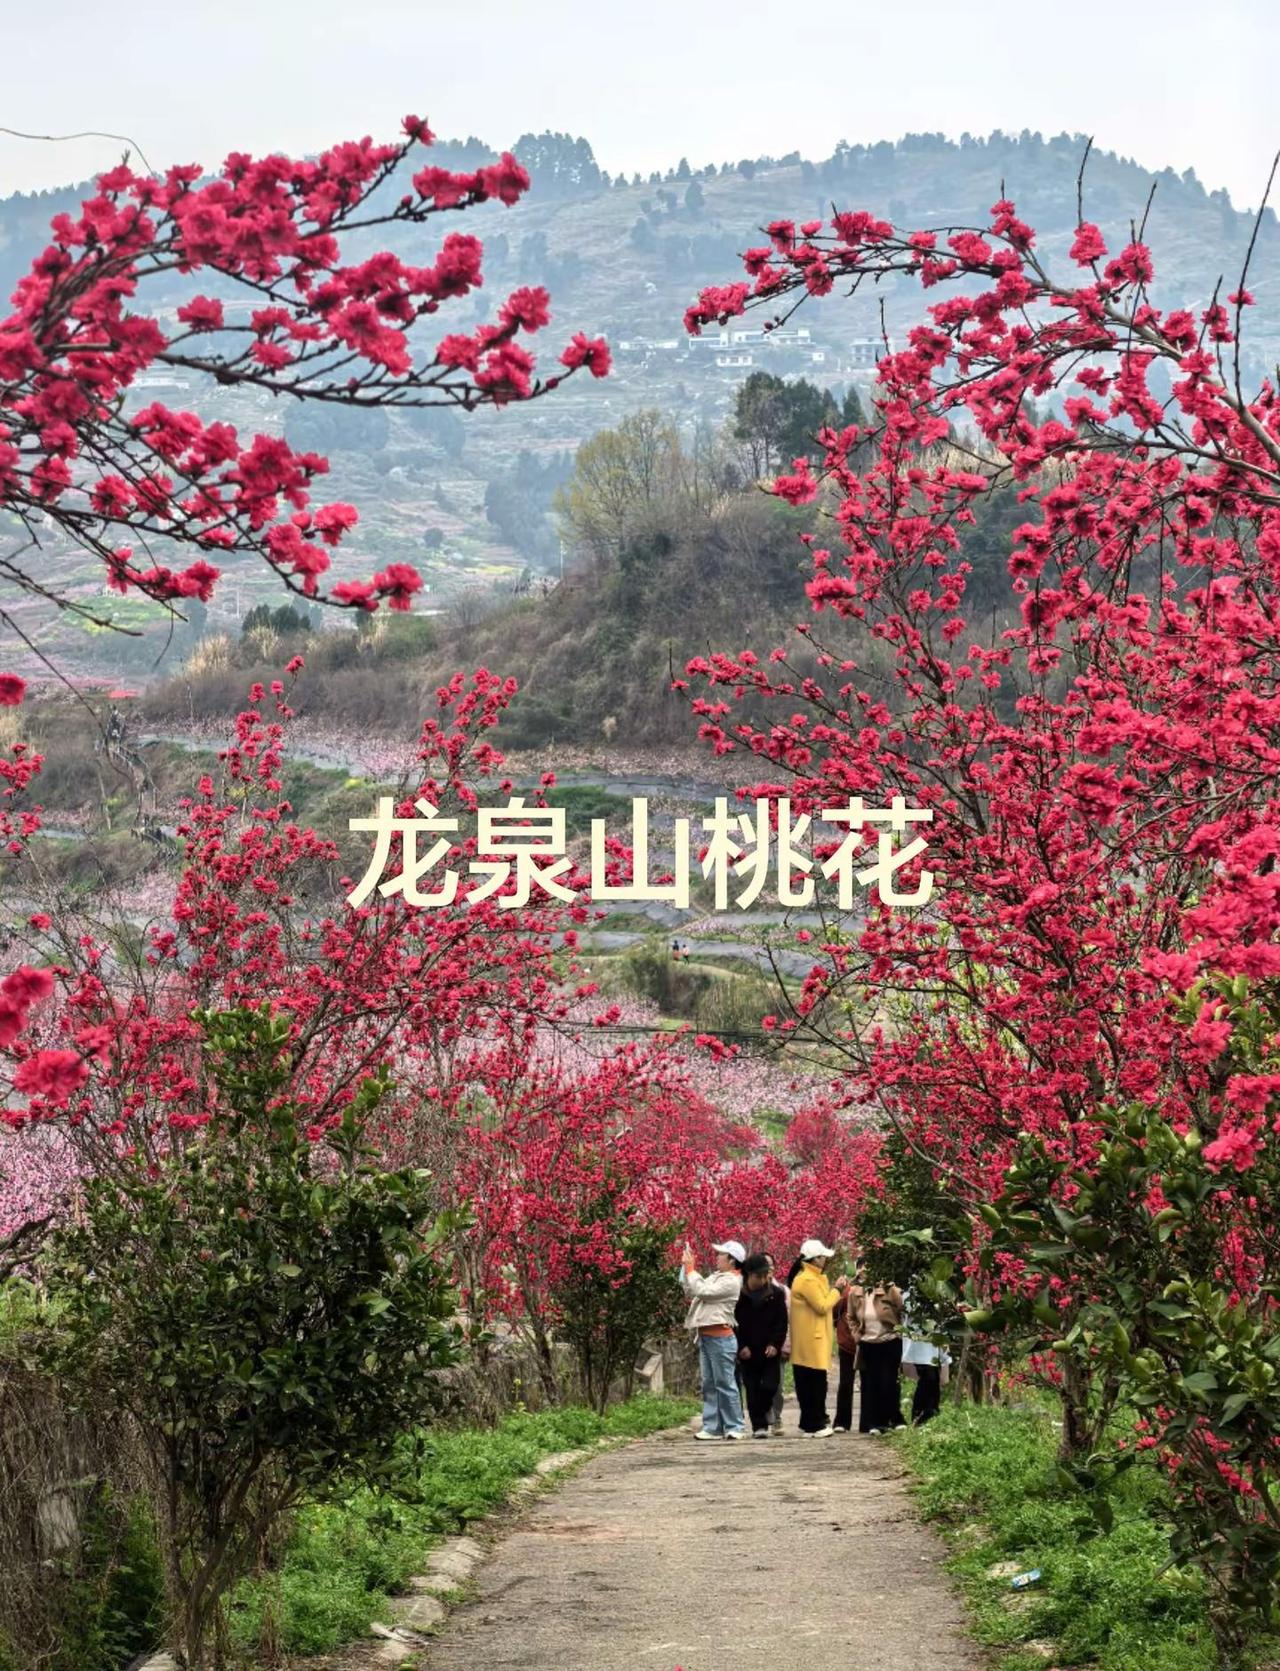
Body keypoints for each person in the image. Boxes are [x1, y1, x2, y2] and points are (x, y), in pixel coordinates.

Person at [681, 1239, 747, 1440]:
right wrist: (685, 1268)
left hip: (721, 1339)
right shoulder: (718, 1276)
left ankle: (735, 1425)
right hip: (707, 1338)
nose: (717, 1257)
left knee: (724, 1383)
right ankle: (713, 1426)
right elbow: (692, 1289)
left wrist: (691, 1268)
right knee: (709, 1384)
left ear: (732, 1260)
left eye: (721, 1255)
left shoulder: (732, 1281)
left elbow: (703, 1291)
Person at [786, 1238, 848, 1437]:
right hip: (810, 1340)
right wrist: (837, 1290)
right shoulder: (807, 1280)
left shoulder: (813, 1277)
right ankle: (815, 1424)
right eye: (822, 1257)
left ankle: (811, 1423)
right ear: (814, 1259)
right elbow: (822, 1305)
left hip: (813, 1338)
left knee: (812, 1383)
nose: (825, 1260)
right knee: (814, 1384)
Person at [735, 1253, 788, 1437]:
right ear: (749, 1275)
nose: (763, 1280)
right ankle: (759, 1426)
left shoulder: (776, 1294)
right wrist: (741, 1346)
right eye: (758, 1276)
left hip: (769, 1350)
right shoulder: (739, 1296)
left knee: (770, 1386)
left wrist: (775, 1344)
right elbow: (735, 1324)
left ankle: (763, 1411)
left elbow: (782, 1322)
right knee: (751, 1388)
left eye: (765, 1276)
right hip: (748, 1350)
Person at [846, 1272, 905, 1434]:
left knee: (889, 1381)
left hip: (889, 1341)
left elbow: (901, 1309)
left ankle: (893, 1418)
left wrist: (900, 1331)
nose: (866, 1272)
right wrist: (857, 1335)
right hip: (868, 1344)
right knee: (871, 1384)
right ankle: (874, 1423)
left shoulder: (889, 1289)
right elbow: (850, 1316)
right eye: (863, 1268)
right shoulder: (855, 1293)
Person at [901, 1291, 950, 1425]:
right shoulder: (908, 1295)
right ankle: (919, 1416)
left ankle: (931, 1414)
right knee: (928, 1378)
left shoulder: (937, 1292)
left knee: (933, 1380)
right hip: (918, 1343)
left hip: (933, 1343)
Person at [833, 1282, 859, 1433]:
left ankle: (868, 1422)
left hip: (869, 1341)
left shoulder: (877, 1289)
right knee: (845, 1383)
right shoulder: (847, 1290)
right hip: (847, 1343)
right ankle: (841, 1422)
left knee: (869, 1383)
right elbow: (834, 1312)